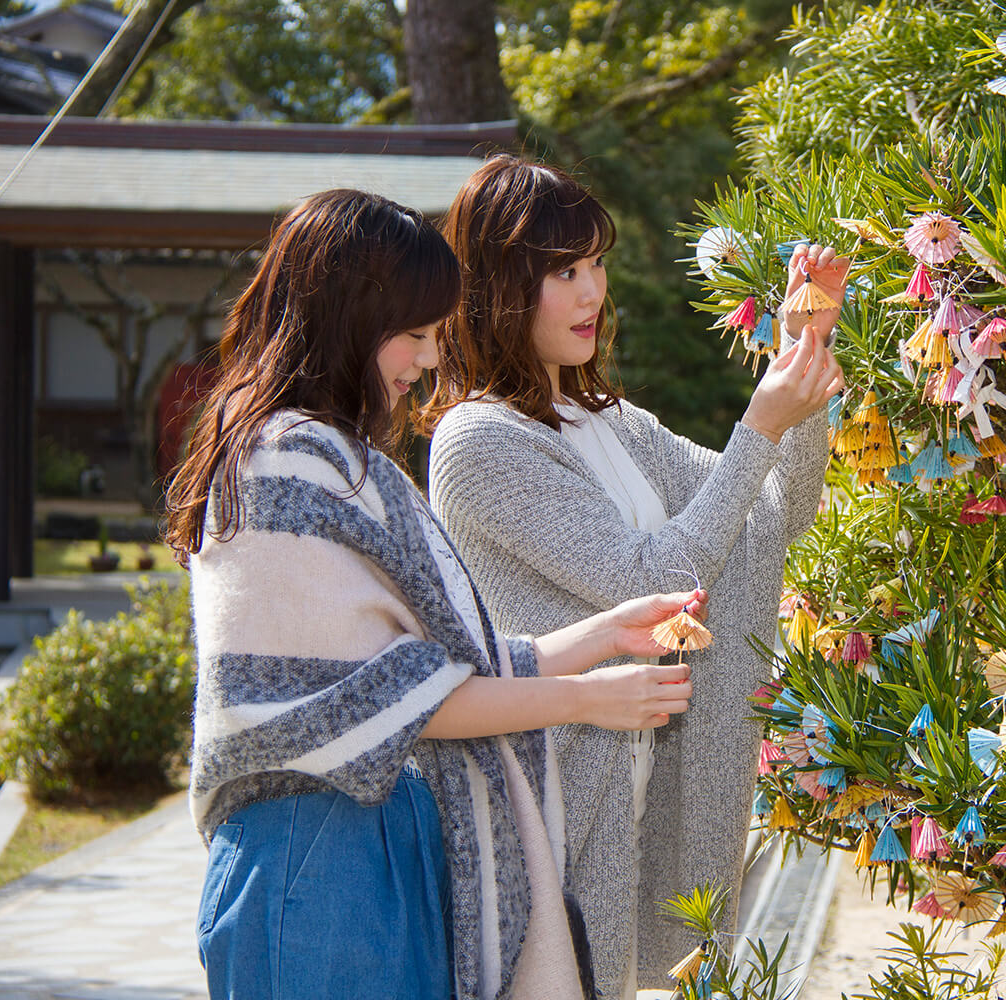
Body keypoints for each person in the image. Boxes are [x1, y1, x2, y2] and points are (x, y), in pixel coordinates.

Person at [166, 188, 704, 1000]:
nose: (424, 360)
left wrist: (604, 635)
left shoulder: (320, 461)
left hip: (361, 847)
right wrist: (586, 701)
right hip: (321, 857)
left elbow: (423, 682)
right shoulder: (289, 466)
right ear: (348, 319)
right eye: (413, 335)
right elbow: (390, 701)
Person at [424, 156, 847, 998]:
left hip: (646, 788)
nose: (592, 293)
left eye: (596, 265)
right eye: (564, 272)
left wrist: (807, 350)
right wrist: (759, 424)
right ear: (501, 287)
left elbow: (772, 515)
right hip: (554, 815)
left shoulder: (607, 419)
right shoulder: (478, 443)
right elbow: (649, 581)